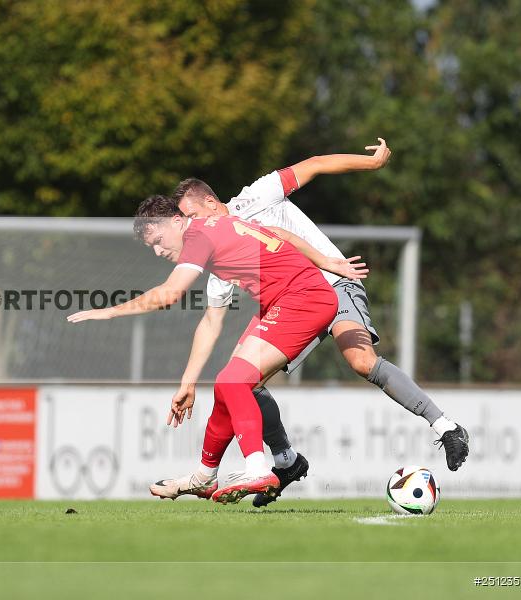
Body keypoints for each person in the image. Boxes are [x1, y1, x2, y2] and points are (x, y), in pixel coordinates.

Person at [167, 138, 469, 507]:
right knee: (241, 379)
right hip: (289, 307)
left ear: (211, 203)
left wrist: (370, 164)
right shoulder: (215, 257)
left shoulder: (255, 197)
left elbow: (314, 164)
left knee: (361, 362)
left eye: (193, 217)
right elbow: (211, 321)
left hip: (334, 284)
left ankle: (447, 428)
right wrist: (189, 381)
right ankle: (286, 461)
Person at [68, 196, 368, 504]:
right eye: (151, 247)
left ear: (176, 221)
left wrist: (108, 312)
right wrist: (188, 382)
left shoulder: (197, 236)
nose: (158, 251)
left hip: (303, 299)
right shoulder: (217, 226)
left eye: (158, 241)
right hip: (286, 300)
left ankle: (256, 469)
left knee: (234, 381)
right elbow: (280, 236)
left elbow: (169, 294)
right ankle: (204, 477)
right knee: (227, 386)